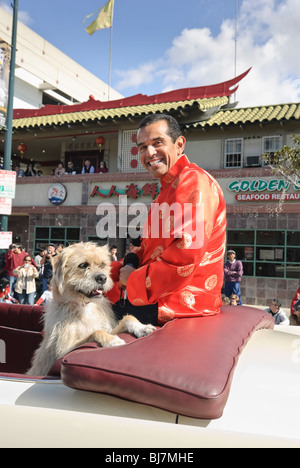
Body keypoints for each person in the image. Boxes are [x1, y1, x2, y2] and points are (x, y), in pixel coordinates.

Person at [110, 113, 227, 326]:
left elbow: (185, 255)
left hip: (178, 303)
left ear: (179, 144)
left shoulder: (192, 180)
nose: (150, 153)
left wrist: (131, 279)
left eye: (157, 143)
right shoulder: (164, 191)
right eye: (143, 147)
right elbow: (143, 247)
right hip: (159, 296)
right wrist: (116, 268)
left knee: (83, 321)